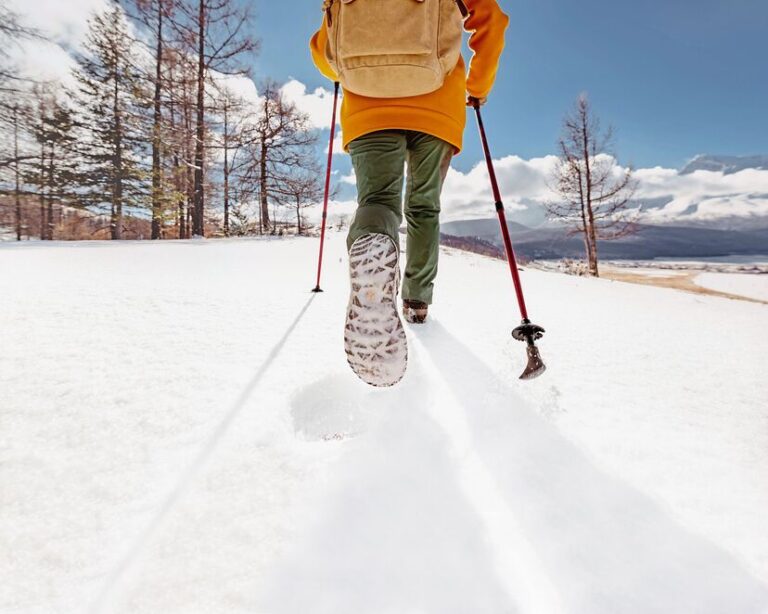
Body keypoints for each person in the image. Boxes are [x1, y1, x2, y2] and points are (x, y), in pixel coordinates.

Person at [310, 0, 509, 386]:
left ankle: (372, 244)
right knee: (423, 207)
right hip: (438, 105)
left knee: (377, 202)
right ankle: (417, 302)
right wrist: (478, 86)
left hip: (368, 107)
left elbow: (324, 49)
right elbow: (492, 22)